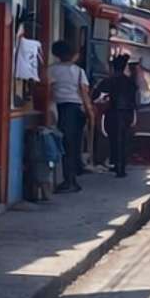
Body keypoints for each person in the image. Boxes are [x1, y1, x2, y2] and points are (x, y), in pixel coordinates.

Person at [48, 40, 94, 193]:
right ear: (73, 55)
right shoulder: (78, 71)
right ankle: (71, 179)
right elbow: (84, 92)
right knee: (73, 145)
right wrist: (89, 112)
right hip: (76, 109)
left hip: (59, 108)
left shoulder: (51, 70)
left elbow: (46, 90)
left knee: (65, 145)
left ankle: (69, 180)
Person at [93, 54, 138, 178]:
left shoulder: (108, 80)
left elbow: (96, 95)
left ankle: (115, 164)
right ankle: (121, 166)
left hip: (112, 112)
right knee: (123, 139)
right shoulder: (130, 82)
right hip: (127, 112)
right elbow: (135, 98)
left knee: (114, 139)